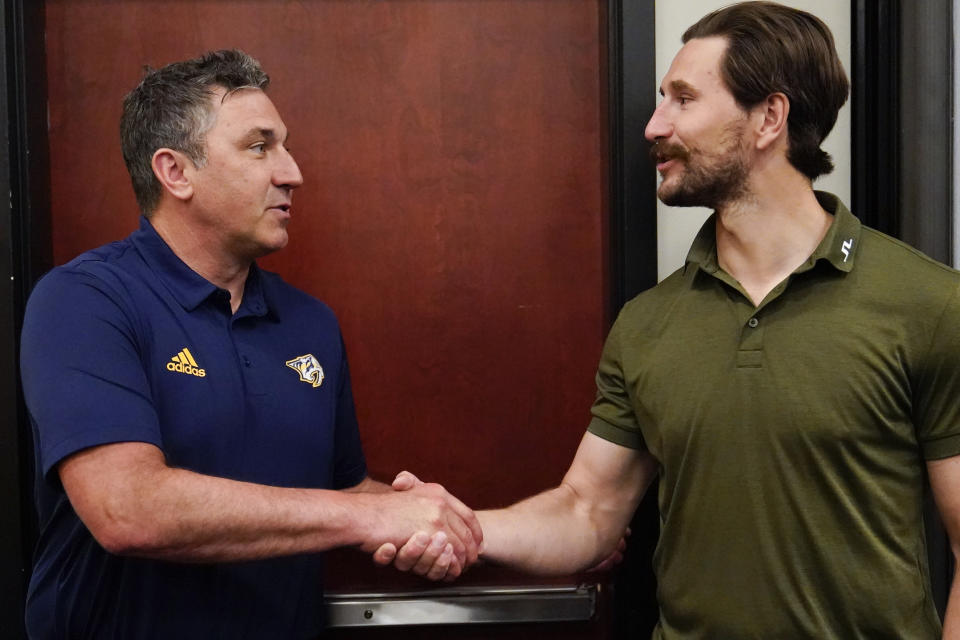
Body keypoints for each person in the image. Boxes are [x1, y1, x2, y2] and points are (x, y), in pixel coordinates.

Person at [391, 2, 960, 637]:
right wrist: (457, 523)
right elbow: (587, 511)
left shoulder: (929, 305)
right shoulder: (647, 324)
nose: (654, 125)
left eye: (683, 99)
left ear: (769, 117)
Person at [19, 50, 480, 639]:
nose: (292, 172)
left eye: (283, 146)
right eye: (260, 146)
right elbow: (127, 509)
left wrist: (437, 525)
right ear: (176, 172)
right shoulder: (85, 301)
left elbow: (342, 491)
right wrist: (370, 514)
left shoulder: (310, 323)